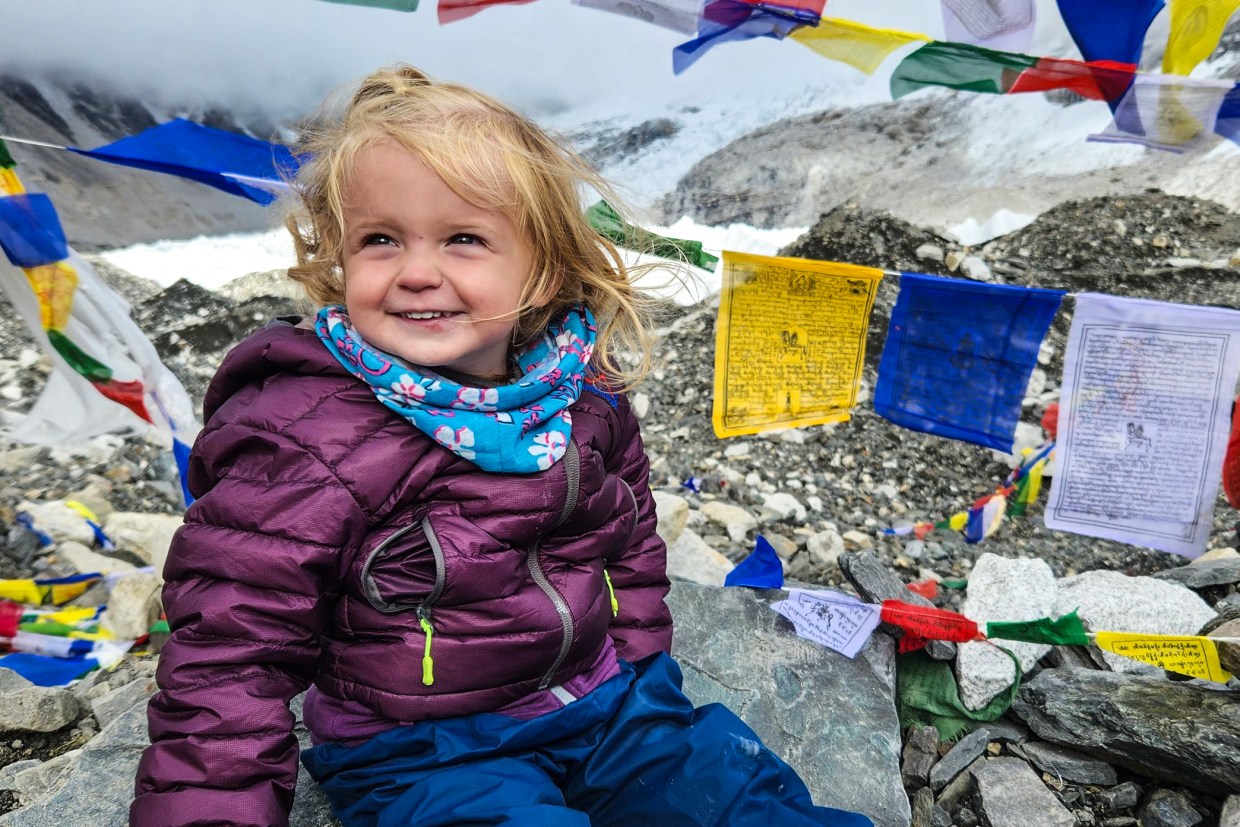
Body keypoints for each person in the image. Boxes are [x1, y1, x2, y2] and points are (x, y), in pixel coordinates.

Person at [131, 64, 872, 827]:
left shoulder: (580, 391)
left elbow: (627, 536)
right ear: (339, 256)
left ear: (545, 269)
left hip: (602, 705)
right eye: (380, 239)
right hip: (421, 748)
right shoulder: (305, 430)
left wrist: (641, 664)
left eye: (464, 239)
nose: (418, 272)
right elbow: (229, 653)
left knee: (744, 801)